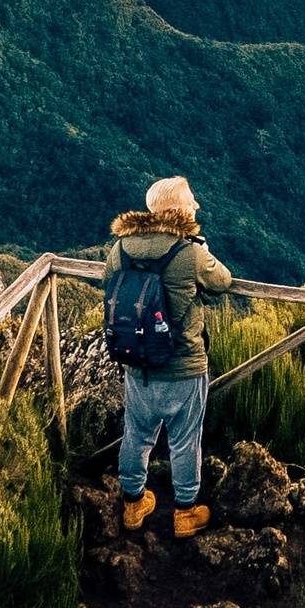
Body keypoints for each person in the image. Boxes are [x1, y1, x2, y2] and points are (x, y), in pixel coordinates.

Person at [105, 174, 235, 537]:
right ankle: (185, 512)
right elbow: (223, 281)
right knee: (184, 440)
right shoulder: (189, 253)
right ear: (177, 210)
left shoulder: (121, 249)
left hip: (137, 362)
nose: (197, 207)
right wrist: (201, 247)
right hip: (183, 366)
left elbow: (109, 283)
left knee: (136, 434)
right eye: (191, 201)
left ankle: (133, 505)